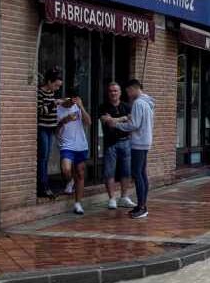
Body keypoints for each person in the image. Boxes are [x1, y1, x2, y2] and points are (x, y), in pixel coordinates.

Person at [103, 80, 153, 220]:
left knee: (137, 174)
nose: (128, 95)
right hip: (145, 141)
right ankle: (141, 205)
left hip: (138, 143)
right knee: (141, 173)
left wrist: (116, 125)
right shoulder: (148, 102)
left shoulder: (138, 103)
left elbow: (134, 125)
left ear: (133, 89)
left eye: (128, 91)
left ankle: (142, 207)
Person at [99, 82, 136, 209]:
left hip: (126, 141)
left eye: (115, 90)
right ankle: (112, 199)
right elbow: (107, 122)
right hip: (110, 143)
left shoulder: (127, 106)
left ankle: (124, 197)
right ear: (108, 93)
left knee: (126, 171)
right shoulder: (103, 107)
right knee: (109, 172)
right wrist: (123, 118)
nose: (113, 93)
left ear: (120, 93)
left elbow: (132, 122)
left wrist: (115, 120)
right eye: (110, 91)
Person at [56, 94, 91, 215]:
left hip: (81, 145)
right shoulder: (58, 108)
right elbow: (54, 129)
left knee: (80, 174)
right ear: (67, 98)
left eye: (76, 100)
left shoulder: (78, 107)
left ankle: (78, 204)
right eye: (72, 100)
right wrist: (64, 120)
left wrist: (81, 107)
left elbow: (88, 122)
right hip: (67, 145)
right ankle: (70, 180)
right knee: (66, 169)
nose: (73, 103)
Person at [36, 67, 62, 199]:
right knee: (43, 157)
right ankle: (43, 186)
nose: (57, 88)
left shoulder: (51, 93)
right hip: (43, 128)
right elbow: (39, 111)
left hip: (51, 128)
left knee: (46, 157)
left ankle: (45, 184)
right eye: (56, 85)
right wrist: (53, 104)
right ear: (50, 82)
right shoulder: (40, 93)